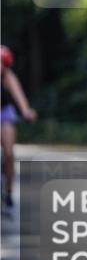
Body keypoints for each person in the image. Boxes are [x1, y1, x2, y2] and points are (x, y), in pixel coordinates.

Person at [1, 45, 38, 209]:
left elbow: (19, 96)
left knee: (9, 153)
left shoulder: (9, 78)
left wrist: (26, 111)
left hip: (5, 113)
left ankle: (9, 192)